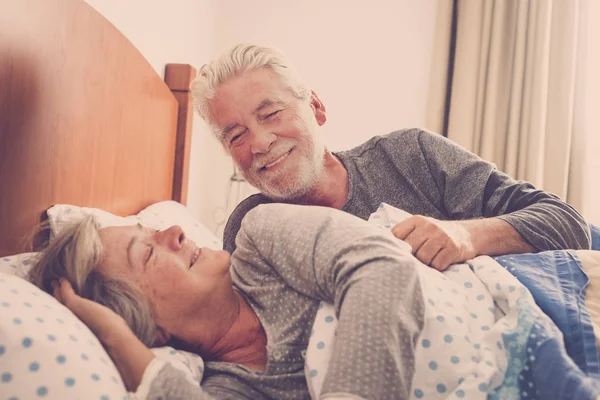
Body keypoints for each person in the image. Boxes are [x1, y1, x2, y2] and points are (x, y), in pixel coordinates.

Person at [190, 44, 591, 270]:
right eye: (236, 135)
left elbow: (568, 225)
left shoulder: (409, 155)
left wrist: (466, 235)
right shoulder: (250, 226)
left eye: (271, 113)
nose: (258, 143)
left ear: (315, 107)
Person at [28, 203, 424, 400]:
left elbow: (381, 263)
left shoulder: (261, 241)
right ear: (148, 325)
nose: (175, 232)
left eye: (151, 228)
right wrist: (122, 345)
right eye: (147, 253)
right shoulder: (229, 389)